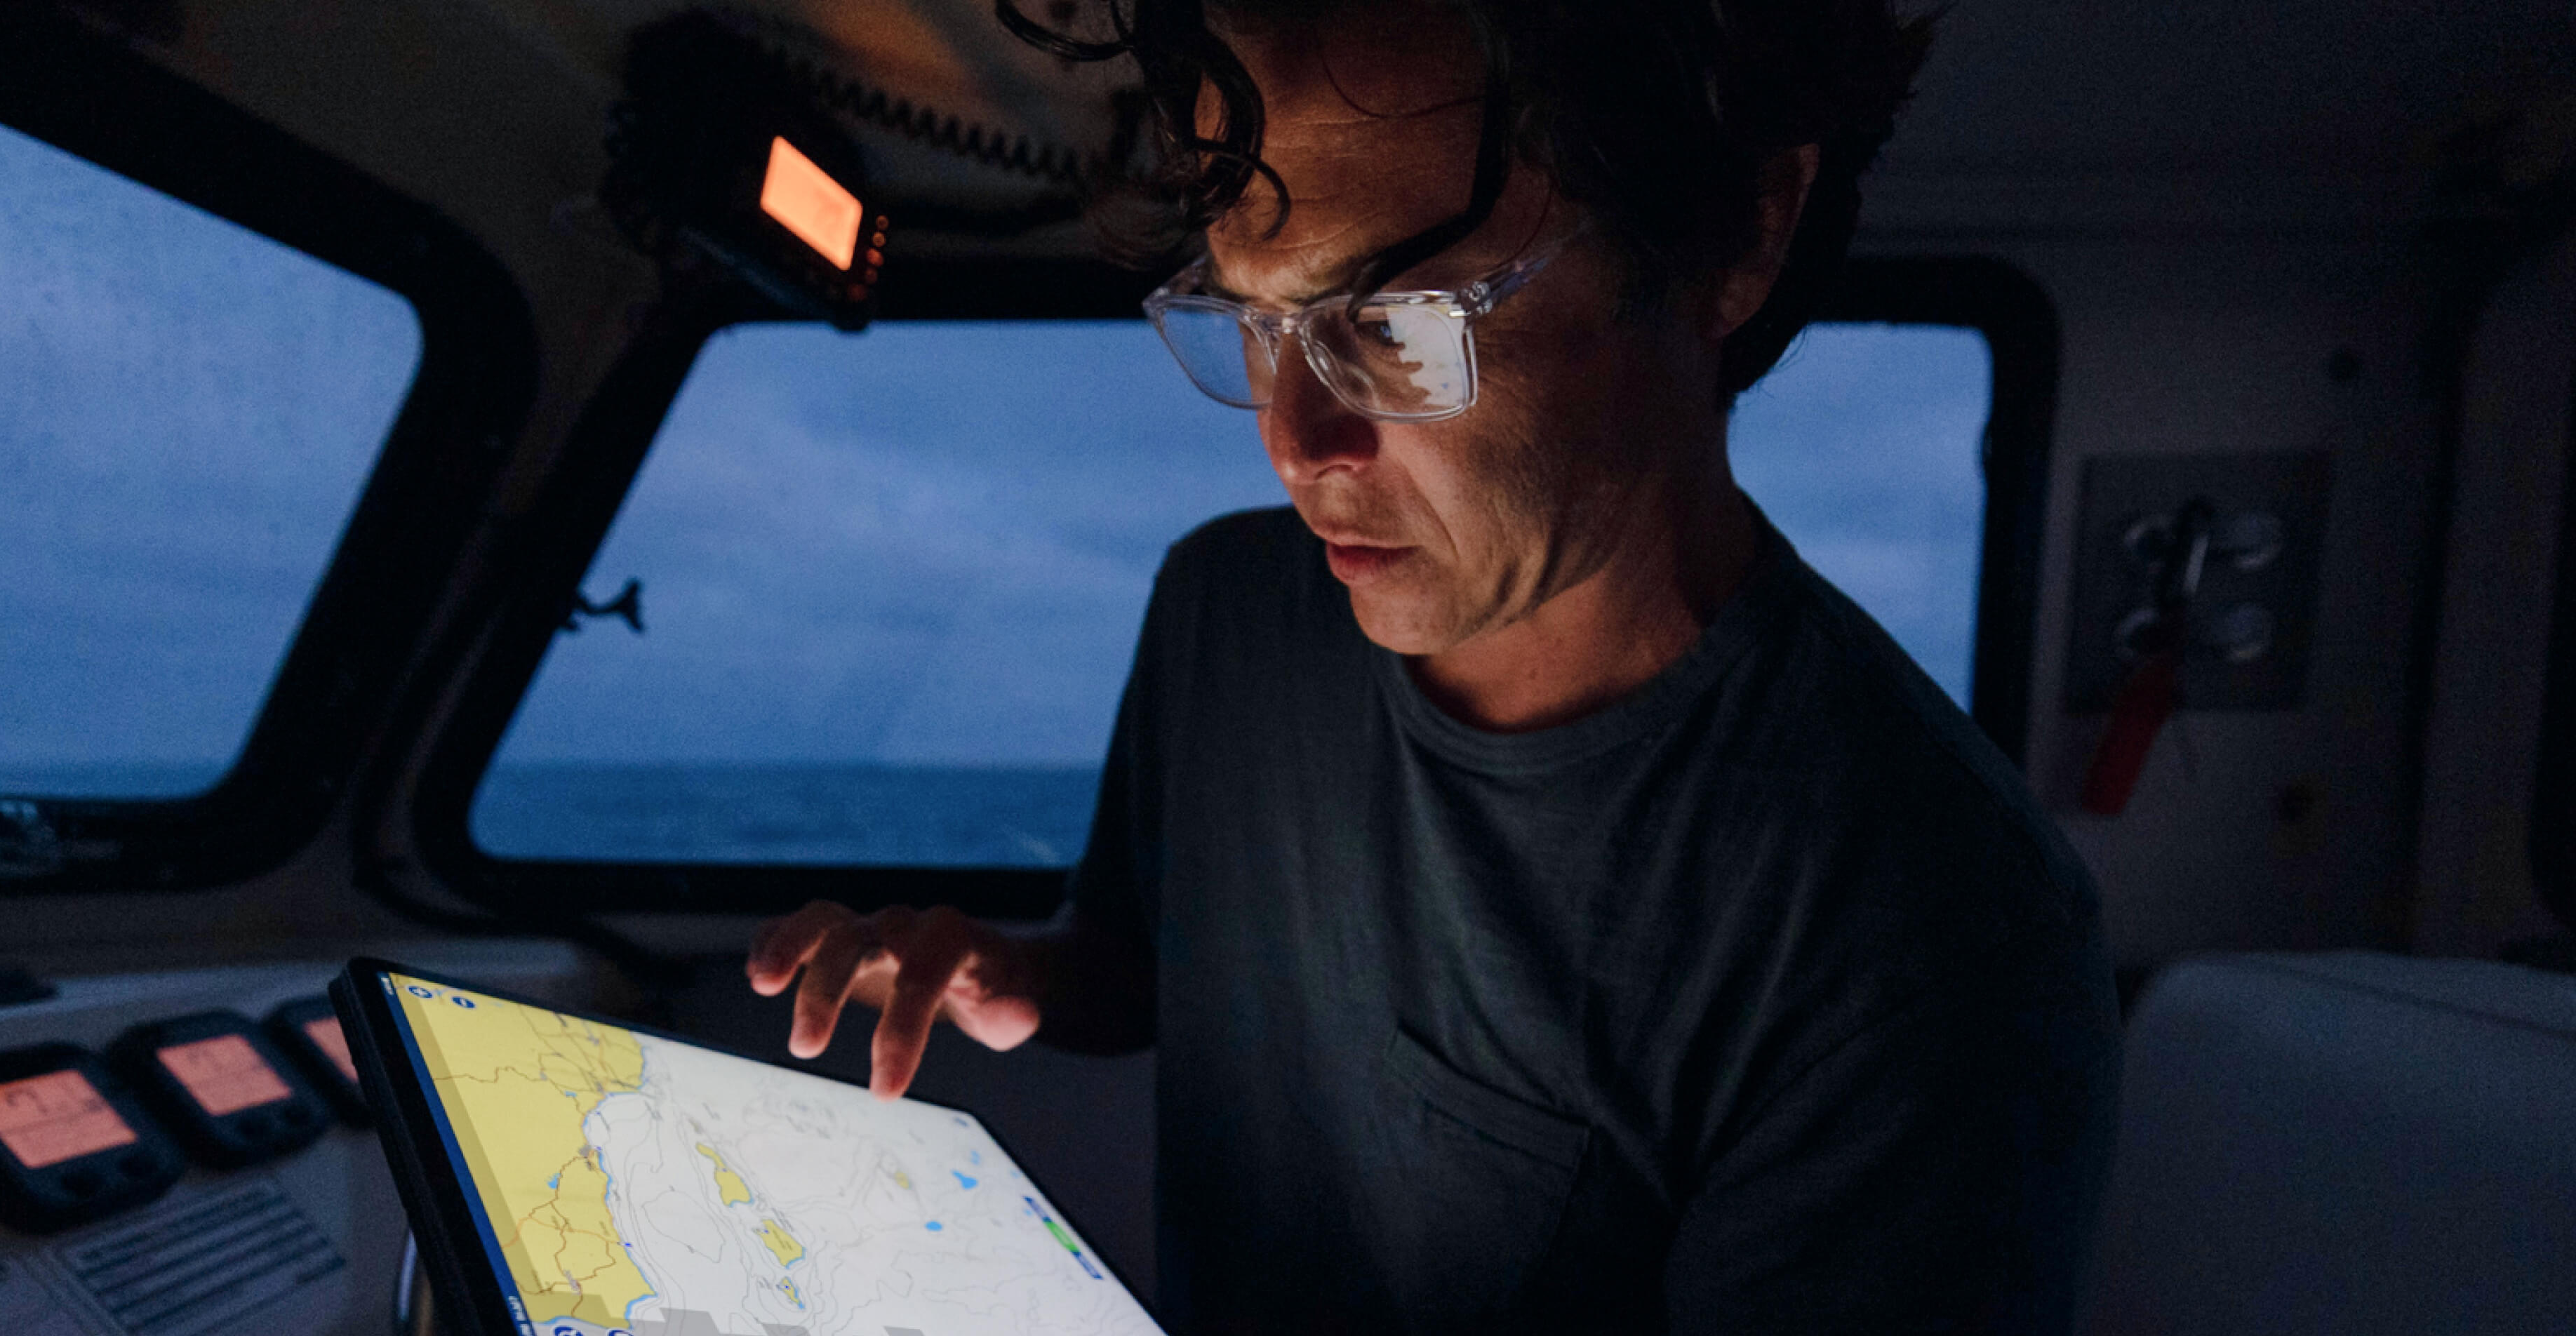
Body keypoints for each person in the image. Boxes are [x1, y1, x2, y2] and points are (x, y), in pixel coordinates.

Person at [745, 0, 2119, 1329]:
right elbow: (1151, 965)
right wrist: (1017, 978)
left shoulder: (1928, 937)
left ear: (1731, 241)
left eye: (1396, 327)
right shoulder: (1226, 610)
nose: (1299, 447)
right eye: (1256, 325)